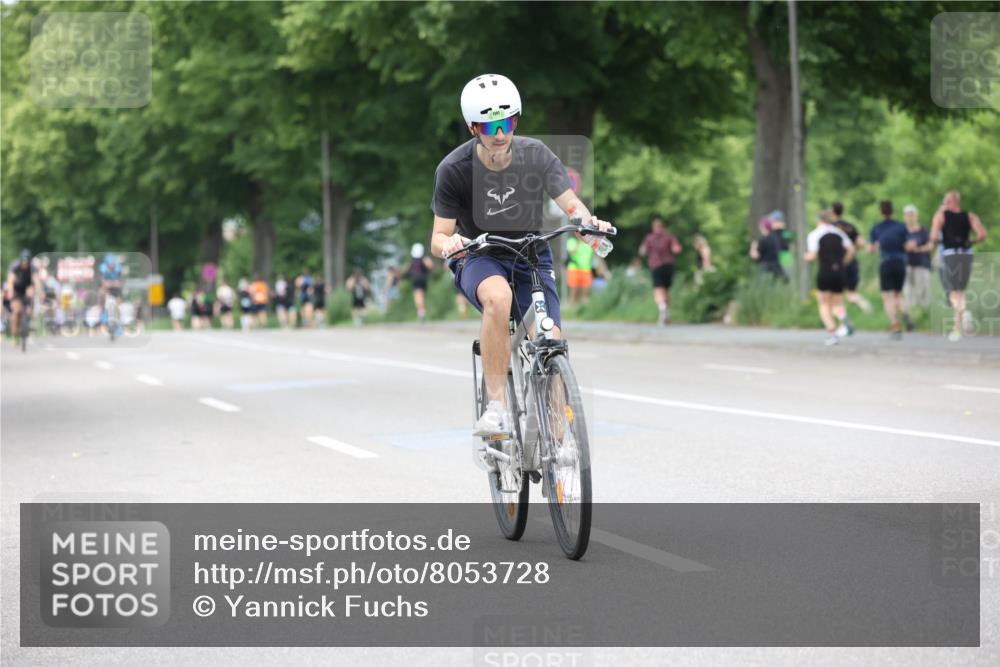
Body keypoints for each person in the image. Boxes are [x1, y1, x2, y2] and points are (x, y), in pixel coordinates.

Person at [430, 73, 613, 437]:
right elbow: (438, 236)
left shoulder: (536, 155)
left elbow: (570, 202)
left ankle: (558, 442)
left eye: (508, 121)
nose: (500, 133)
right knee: (499, 298)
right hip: (480, 256)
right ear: (473, 128)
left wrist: (586, 222)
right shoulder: (453, 170)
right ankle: (496, 406)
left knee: (549, 336)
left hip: (530, 254)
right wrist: (450, 244)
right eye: (490, 125)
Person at [930, 190, 988, 341]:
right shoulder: (970, 216)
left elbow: (934, 237)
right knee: (960, 290)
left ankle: (960, 321)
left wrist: (946, 241)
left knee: (952, 291)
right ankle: (960, 322)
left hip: (950, 255)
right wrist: (971, 242)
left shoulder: (941, 216)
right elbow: (982, 234)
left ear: (948, 202)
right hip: (966, 254)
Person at [804, 210, 855, 345]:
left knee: (824, 303)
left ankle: (832, 333)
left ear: (818, 220)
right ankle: (842, 318)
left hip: (825, 271)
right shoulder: (839, 232)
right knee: (837, 303)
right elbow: (851, 250)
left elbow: (813, 255)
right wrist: (843, 262)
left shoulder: (814, 234)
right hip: (839, 271)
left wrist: (806, 257)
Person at [868, 200, 909, 340]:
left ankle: (895, 324)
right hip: (900, 262)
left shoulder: (876, 228)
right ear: (892, 211)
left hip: (886, 262)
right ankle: (904, 311)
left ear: (881, 212)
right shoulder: (901, 227)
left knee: (887, 296)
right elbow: (908, 245)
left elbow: (872, 249)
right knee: (898, 293)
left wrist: (871, 248)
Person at [638, 217, 682, 325]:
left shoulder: (649, 238)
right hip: (668, 265)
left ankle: (662, 312)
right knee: (666, 290)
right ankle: (666, 314)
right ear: (663, 227)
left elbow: (642, 251)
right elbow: (677, 249)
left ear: (653, 227)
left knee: (658, 290)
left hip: (656, 265)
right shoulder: (669, 237)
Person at [831, 201, 873, 314]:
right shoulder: (850, 226)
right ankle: (865, 307)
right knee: (851, 293)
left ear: (832, 212)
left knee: (835, 295)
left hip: (837, 263)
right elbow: (860, 242)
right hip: (852, 263)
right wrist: (854, 250)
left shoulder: (831, 227)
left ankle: (842, 318)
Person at [901, 204, 933, 332]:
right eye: (908, 215)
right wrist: (906, 246)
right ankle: (910, 317)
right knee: (908, 291)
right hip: (906, 264)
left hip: (921, 263)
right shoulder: (902, 231)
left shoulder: (923, 230)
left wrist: (918, 248)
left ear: (916, 216)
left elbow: (930, 244)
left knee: (922, 289)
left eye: (912, 214)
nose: (910, 217)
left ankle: (923, 317)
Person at [4, 249, 36, 341]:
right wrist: (10, 293)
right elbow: (10, 281)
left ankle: (27, 316)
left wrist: (40, 292)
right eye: (23, 262)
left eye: (27, 262)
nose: (25, 265)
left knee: (30, 292)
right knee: (16, 311)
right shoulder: (15, 266)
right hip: (16, 290)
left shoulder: (32, 268)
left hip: (26, 288)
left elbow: (36, 281)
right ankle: (14, 334)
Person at [565, 234, 595, 306]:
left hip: (586, 269)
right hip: (574, 268)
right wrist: (579, 241)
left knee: (585, 292)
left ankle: (583, 310)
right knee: (573, 291)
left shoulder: (590, 243)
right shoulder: (572, 241)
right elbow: (571, 251)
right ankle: (572, 307)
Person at [98, 253, 124, 337]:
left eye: (112, 266)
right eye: (110, 266)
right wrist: (111, 284)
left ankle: (119, 322)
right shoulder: (103, 268)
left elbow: (120, 282)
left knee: (119, 304)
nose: (111, 268)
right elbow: (103, 282)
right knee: (102, 292)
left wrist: (113, 284)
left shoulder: (118, 269)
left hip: (115, 288)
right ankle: (102, 311)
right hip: (107, 287)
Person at [408, 243, 434, 322]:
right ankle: (422, 312)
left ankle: (421, 312)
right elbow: (431, 266)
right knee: (421, 295)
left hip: (415, 279)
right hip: (423, 279)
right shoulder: (424, 259)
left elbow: (408, 270)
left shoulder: (412, 261)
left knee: (418, 296)